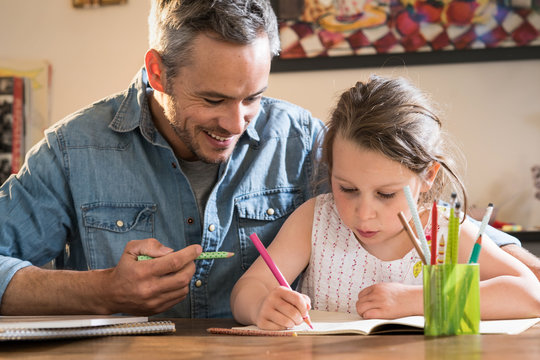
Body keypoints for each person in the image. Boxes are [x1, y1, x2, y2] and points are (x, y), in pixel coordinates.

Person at [0, 0, 534, 318]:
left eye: (253, 97)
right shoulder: (73, 150)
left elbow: (401, 197)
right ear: (158, 72)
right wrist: (102, 291)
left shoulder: (304, 139)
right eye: (212, 100)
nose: (237, 124)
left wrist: (501, 257)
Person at [230, 76, 540, 329]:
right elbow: (247, 290)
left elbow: (530, 294)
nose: (363, 214)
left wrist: (418, 300)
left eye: (387, 194)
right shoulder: (315, 219)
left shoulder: (445, 231)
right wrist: (261, 306)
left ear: (428, 176)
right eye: (347, 188)